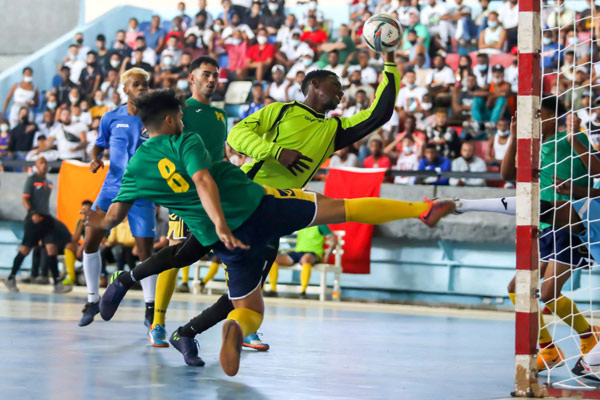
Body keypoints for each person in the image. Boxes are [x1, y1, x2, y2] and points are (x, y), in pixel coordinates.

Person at [88, 88, 455, 376]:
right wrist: (218, 220)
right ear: (169, 120)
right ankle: (421, 209)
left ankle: (231, 324)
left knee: (248, 306)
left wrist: (97, 223)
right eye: (181, 117)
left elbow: (116, 213)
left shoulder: (136, 167)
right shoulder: (188, 141)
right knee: (345, 208)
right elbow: (202, 179)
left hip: (226, 239)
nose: (184, 121)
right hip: (261, 206)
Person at [146, 56, 230, 348]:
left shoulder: (221, 116)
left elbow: (222, 157)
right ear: (192, 78)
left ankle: (244, 318)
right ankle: (157, 322)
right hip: (186, 197)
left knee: (235, 254)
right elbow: (157, 141)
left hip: (218, 196)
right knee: (175, 255)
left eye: (215, 75)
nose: (212, 79)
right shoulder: (180, 111)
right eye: (206, 74)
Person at [79, 68, 157, 328]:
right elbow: (99, 144)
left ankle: (150, 307)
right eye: (137, 85)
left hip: (142, 190)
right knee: (90, 240)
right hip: (111, 188)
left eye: (145, 85)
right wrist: (95, 158)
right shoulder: (110, 117)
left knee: (145, 251)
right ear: (125, 89)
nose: (142, 88)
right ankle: (92, 299)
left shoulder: (155, 118)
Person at [3, 157, 73, 294]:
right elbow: (25, 198)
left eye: (46, 163)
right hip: (34, 220)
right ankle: (11, 278)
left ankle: (57, 283)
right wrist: (32, 212)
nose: (44, 165)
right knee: (25, 249)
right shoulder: (32, 180)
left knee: (51, 249)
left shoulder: (49, 182)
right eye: (41, 163)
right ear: (36, 165)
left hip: (46, 219)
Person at [271, 225, 336, 297]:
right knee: (274, 258)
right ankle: (272, 290)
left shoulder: (321, 225)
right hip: (298, 252)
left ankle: (303, 291)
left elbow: (333, 240)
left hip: (313, 253)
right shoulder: (303, 223)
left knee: (305, 259)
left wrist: (327, 255)